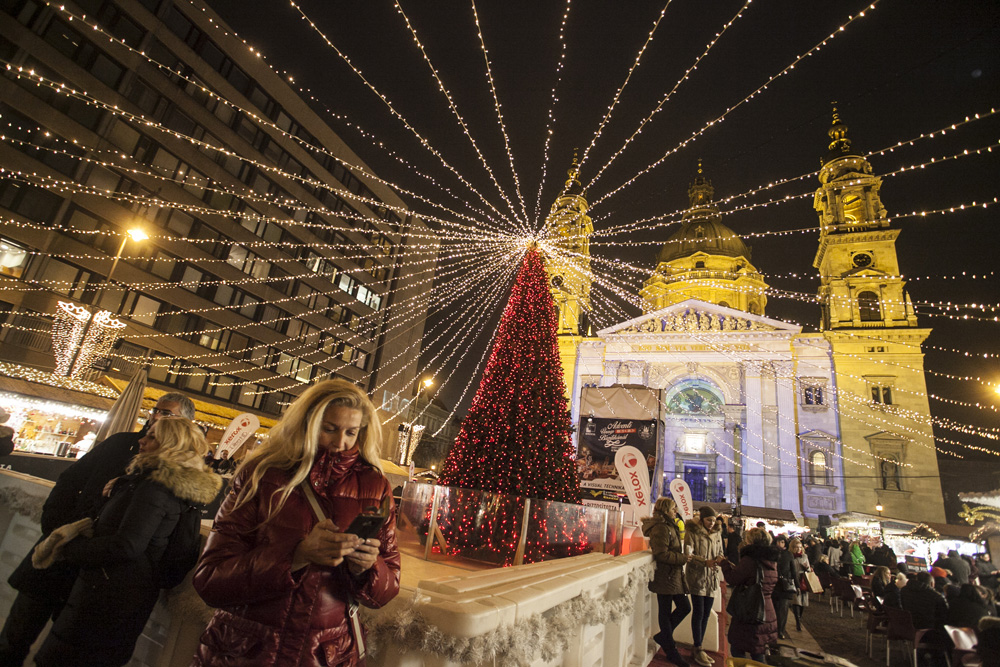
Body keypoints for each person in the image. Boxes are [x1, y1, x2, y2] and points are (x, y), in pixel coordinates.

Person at [192, 379, 401, 666]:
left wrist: (368, 568)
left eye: (351, 432)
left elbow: (388, 587)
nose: (340, 443)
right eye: (329, 429)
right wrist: (296, 556)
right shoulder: (262, 474)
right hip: (246, 650)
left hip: (324, 655)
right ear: (307, 423)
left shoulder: (375, 486)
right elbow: (210, 579)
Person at [0, 393, 195, 666]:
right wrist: (56, 528)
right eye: (155, 410)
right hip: (60, 557)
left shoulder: (177, 476)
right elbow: (70, 480)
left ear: (185, 423)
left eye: (167, 414)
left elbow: (161, 541)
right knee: (15, 636)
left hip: (99, 579)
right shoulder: (121, 443)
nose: (157, 416)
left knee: (63, 651)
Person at [32, 417, 221, 666]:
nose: (142, 439)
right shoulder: (156, 484)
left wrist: (68, 548)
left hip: (107, 596)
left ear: (171, 444)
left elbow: (127, 544)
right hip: (121, 596)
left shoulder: (155, 488)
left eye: (152, 436)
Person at [643, 497, 691, 667]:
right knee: (666, 610)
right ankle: (671, 651)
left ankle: (664, 637)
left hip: (672, 574)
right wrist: (683, 558)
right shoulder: (662, 528)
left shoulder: (669, 525)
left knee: (684, 607)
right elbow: (661, 554)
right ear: (665, 510)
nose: (675, 511)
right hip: (666, 574)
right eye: (672, 509)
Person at [721, 528, 779, 661]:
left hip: (750, 609)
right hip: (767, 609)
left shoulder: (750, 560)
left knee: (738, 649)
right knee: (758, 651)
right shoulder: (771, 561)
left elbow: (733, 578)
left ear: (751, 541)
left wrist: (723, 564)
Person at [685, 506, 723, 666]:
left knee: (707, 612)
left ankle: (698, 646)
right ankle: (698, 646)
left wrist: (720, 559)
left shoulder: (717, 534)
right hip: (697, 577)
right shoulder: (692, 532)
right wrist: (704, 562)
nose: (711, 523)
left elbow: (720, 551)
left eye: (714, 521)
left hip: (711, 578)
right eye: (709, 520)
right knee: (699, 611)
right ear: (702, 519)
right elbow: (689, 555)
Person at [901, 571, 950, 664]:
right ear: (932, 583)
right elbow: (945, 615)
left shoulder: (904, 591)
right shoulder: (936, 596)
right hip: (927, 632)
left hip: (906, 627)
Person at [773, 535, 795, 640]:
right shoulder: (772, 553)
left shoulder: (788, 555)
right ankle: (774, 629)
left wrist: (797, 585)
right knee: (774, 608)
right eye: (778, 542)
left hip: (785, 586)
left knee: (783, 609)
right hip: (774, 585)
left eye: (782, 542)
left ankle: (780, 630)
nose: (780, 544)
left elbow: (793, 570)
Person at [788, 538, 811, 632]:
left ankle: (799, 617)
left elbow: (809, 568)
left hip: (803, 580)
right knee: (796, 601)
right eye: (796, 547)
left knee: (803, 603)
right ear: (792, 548)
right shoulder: (790, 556)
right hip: (794, 580)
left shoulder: (804, 556)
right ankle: (798, 621)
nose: (798, 549)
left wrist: (806, 568)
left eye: (800, 547)